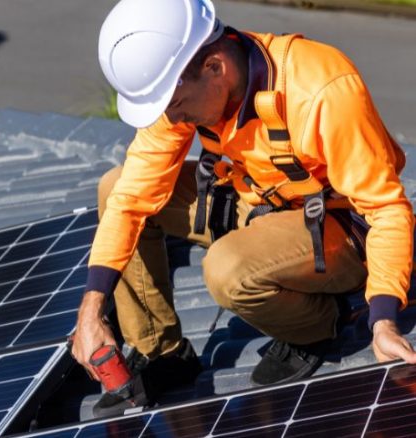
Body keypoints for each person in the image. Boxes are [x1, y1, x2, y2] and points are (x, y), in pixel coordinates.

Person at [72, 0, 416, 417]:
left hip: (340, 229)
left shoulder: (321, 88)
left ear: (215, 67)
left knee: (227, 269)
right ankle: (163, 353)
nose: (170, 117)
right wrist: (90, 311)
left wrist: (382, 320)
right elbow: (128, 200)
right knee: (114, 187)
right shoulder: (182, 93)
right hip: (260, 204)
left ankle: (318, 325)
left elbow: (386, 211)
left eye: (174, 104)